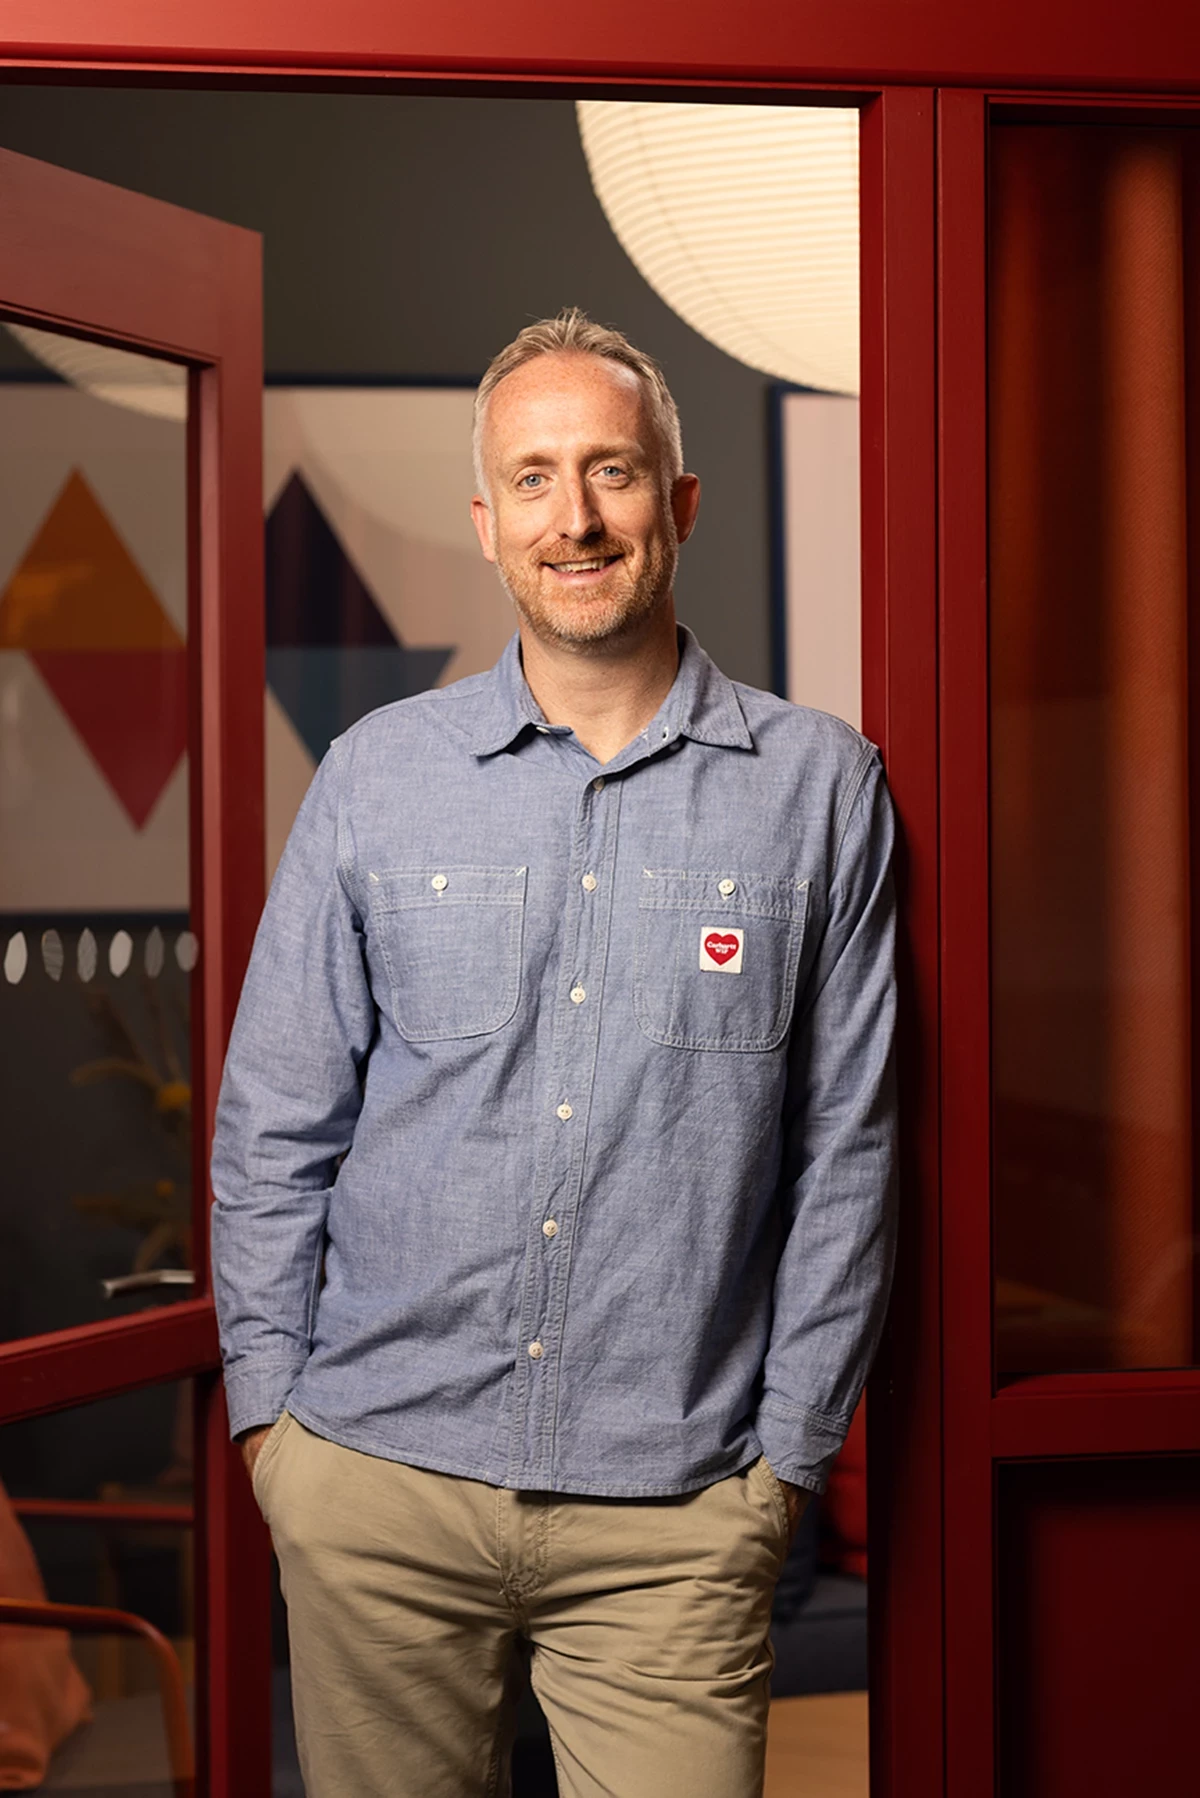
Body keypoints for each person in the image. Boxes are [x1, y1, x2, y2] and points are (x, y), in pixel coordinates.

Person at [211, 308, 897, 1798]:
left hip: (676, 1511)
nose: (574, 517)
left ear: (680, 501)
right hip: (379, 1486)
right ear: (487, 520)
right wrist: (275, 1428)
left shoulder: (822, 790)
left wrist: (783, 1467)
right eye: (533, 479)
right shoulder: (376, 781)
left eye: (611, 472)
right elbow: (277, 1122)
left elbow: (848, 1153)